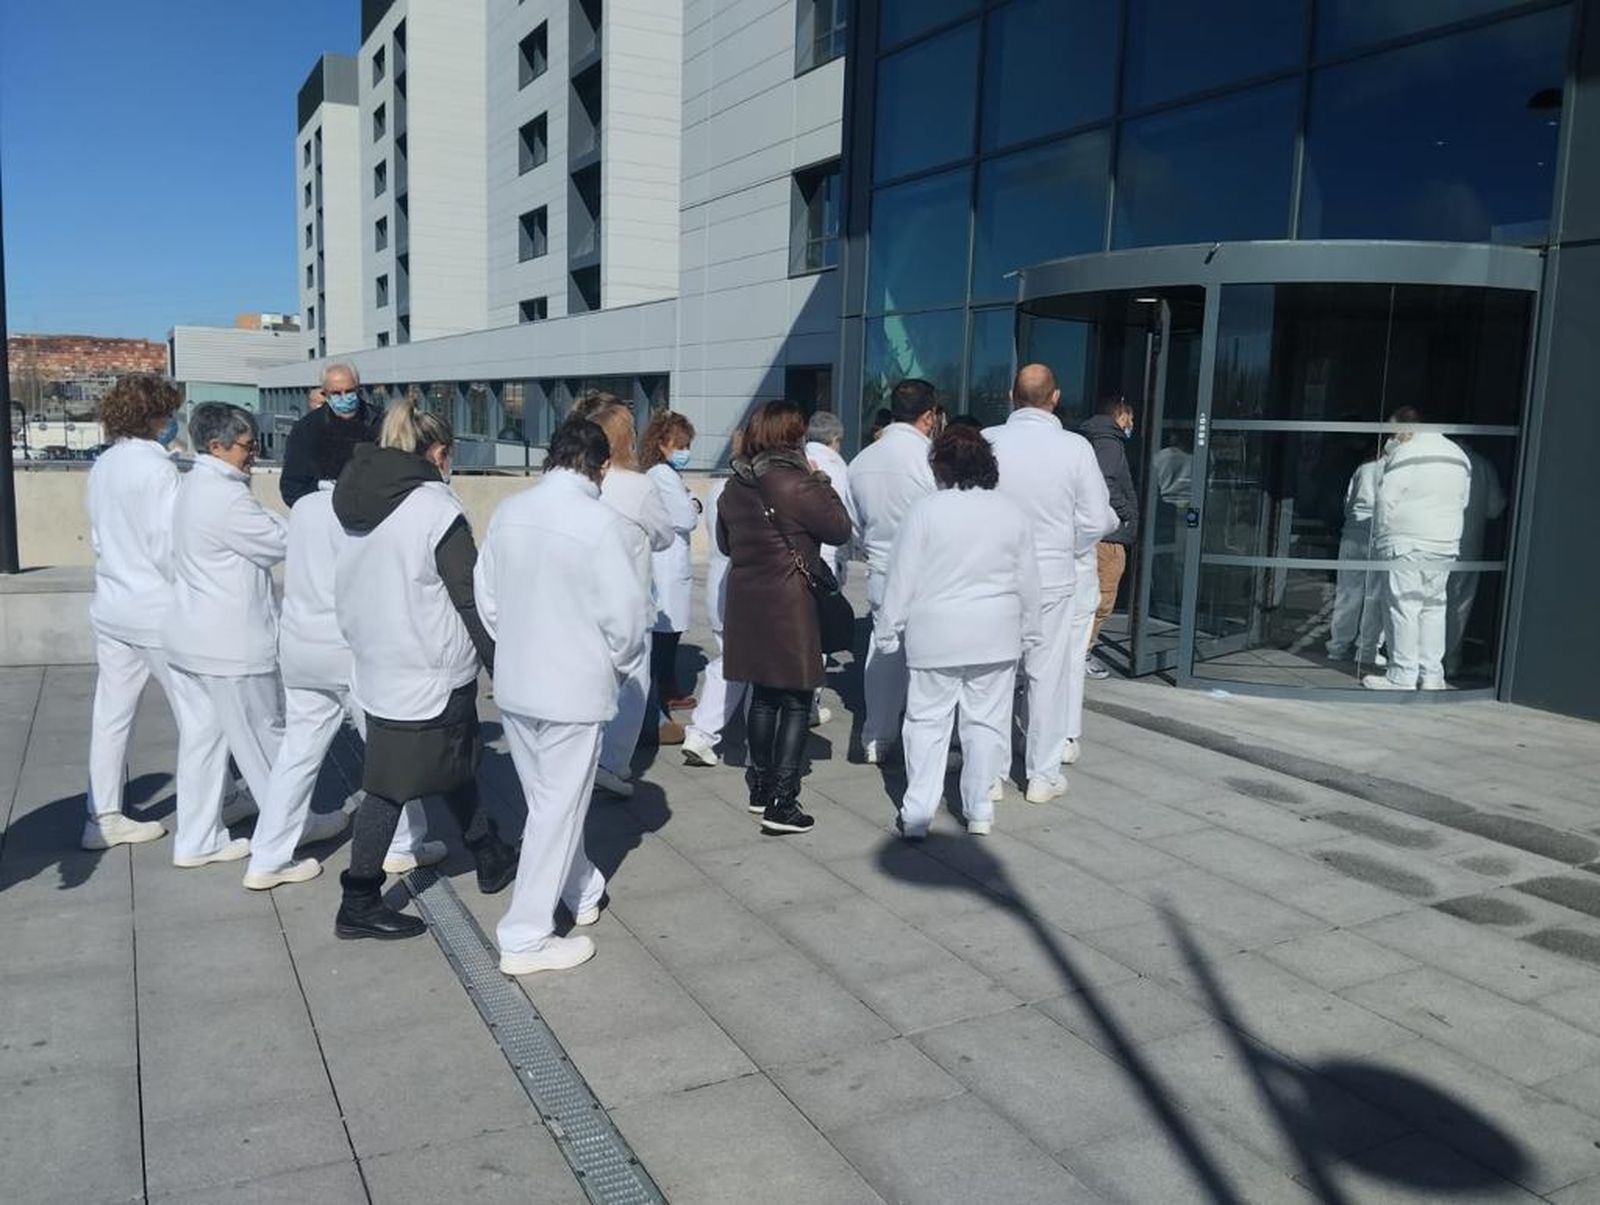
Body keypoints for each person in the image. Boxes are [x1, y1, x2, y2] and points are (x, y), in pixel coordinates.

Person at [331, 397, 517, 939]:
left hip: (380, 656)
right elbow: (469, 596)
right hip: (429, 660)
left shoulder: (354, 496)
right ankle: (359, 897)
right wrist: (499, 664)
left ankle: (488, 850)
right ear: (438, 451)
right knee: (390, 786)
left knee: (455, 759)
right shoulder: (435, 507)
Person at [478, 418, 646, 974]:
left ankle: (583, 887)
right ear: (600, 467)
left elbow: (489, 600)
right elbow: (626, 624)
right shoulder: (602, 524)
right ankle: (525, 935)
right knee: (557, 808)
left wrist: (519, 644)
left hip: (518, 682)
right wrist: (615, 670)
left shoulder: (509, 511)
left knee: (549, 803)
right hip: (572, 686)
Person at [242, 416, 437, 890]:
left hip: (300, 646)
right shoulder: (358, 507)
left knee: (298, 753)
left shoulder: (304, 508)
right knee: (390, 749)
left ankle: (267, 856)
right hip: (346, 648)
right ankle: (403, 843)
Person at [877, 427, 1041, 838]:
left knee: (927, 723)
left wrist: (887, 627)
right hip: (995, 633)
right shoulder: (1011, 511)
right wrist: (1033, 630)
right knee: (985, 724)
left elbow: (903, 575)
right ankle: (980, 808)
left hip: (935, 634)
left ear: (941, 466)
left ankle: (917, 811)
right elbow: (1028, 580)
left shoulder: (926, 510)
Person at [163, 404, 288, 868]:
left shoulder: (192, 485)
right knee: (266, 742)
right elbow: (280, 542)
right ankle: (287, 835)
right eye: (247, 446)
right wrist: (281, 523)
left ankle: (196, 840)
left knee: (203, 743)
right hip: (230, 644)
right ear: (217, 446)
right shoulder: (227, 497)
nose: (252, 454)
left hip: (191, 638)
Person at [719, 400, 852, 834]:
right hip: (790, 602)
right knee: (795, 697)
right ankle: (783, 799)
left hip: (748, 599)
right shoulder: (796, 482)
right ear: (793, 436)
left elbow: (724, 544)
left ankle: (759, 787)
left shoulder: (735, 485)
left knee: (762, 694)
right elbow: (839, 529)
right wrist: (821, 479)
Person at [985, 365, 1116, 802]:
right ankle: (1041, 775)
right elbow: (1098, 519)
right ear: (1055, 398)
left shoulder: (988, 440)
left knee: (996, 675)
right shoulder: (1074, 448)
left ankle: (990, 773)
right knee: (1048, 676)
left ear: (1010, 396)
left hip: (997, 573)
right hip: (1052, 575)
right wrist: (1068, 544)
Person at [81, 375, 184, 850]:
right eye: (169, 413)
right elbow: (168, 547)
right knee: (200, 714)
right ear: (156, 418)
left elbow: (101, 537)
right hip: (156, 610)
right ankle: (211, 818)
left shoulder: (103, 465)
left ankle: (101, 817)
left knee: (111, 715)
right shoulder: (158, 470)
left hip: (112, 604)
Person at [575, 395, 674, 796]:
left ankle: (587, 758)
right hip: (630, 599)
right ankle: (612, 763)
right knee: (631, 687)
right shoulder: (638, 485)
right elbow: (665, 536)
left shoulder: (583, 482)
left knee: (590, 684)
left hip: (584, 601)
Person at [847, 380, 940, 763]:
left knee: (883, 650)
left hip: (882, 567)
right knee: (928, 660)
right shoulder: (931, 457)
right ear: (930, 416)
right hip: (928, 570)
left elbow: (851, 525)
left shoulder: (862, 460)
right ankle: (923, 739)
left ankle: (876, 736)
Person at [1363, 407, 1472, 692]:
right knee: (1434, 608)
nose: (1392, 438)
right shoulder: (1458, 455)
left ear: (1406, 428)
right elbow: (1463, 501)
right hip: (1445, 542)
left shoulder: (1408, 452)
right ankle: (1432, 675)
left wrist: (1380, 536)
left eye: (1393, 432)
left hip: (1407, 541)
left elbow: (1386, 499)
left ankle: (1402, 674)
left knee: (1403, 608)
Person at [683, 430, 750, 769]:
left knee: (729, 663)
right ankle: (754, 744)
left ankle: (701, 734)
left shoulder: (719, 488)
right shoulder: (749, 490)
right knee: (751, 668)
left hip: (719, 585)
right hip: (742, 588)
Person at [640, 409, 701, 743]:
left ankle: (666, 692)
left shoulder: (664, 475)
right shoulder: (661, 475)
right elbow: (687, 517)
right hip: (665, 565)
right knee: (662, 639)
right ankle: (659, 703)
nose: (685, 451)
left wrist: (690, 503)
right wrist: (692, 504)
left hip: (670, 564)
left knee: (668, 636)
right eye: (680, 444)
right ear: (662, 444)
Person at [1080, 395, 1139, 679]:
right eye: (1130, 417)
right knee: (1103, 599)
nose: (1132, 424)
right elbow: (1106, 482)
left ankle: (1079, 650)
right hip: (1111, 536)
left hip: (1100, 534)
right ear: (1120, 415)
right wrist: (1126, 513)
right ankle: (1083, 652)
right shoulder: (1110, 443)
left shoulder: (1093, 439)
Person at [280, 363, 381, 507]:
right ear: (325, 394)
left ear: (359, 389)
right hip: (325, 515)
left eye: (350, 391)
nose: (344, 398)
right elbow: (292, 486)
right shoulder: (306, 429)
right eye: (336, 393)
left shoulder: (381, 422)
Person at [1445, 442, 1507, 675]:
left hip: (1431, 541)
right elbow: (1495, 509)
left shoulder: (1440, 461)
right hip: (1468, 547)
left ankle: (1421, 661)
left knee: (1424, 603)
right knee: (1458, 604)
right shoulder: (1483, 465)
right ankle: (1450, 661)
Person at [1327, 447, 1385, 666]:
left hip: (1352, 533)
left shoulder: (1363, 468)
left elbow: (1347, 502)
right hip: (1378, 535)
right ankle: (1367, 650)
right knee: (1374, 597)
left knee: (1347, 593)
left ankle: (1337, 646)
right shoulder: (1395, 469)